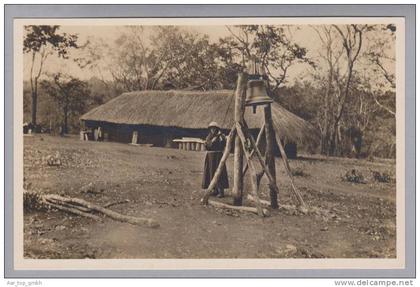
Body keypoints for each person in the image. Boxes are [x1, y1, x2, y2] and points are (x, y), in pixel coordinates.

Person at [202, 122, 229, 198]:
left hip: (218, 156)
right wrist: (209, 142)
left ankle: (221, 191)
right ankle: (214, 190)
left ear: (217, 129)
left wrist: (220, 138)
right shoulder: (209, 136)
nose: (213, 130)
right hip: (210, 157)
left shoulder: (221, 136)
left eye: (214, 128)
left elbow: (223, 144)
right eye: (211, 128)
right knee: (210, 172)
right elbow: (207, 145)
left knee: (219, 172)